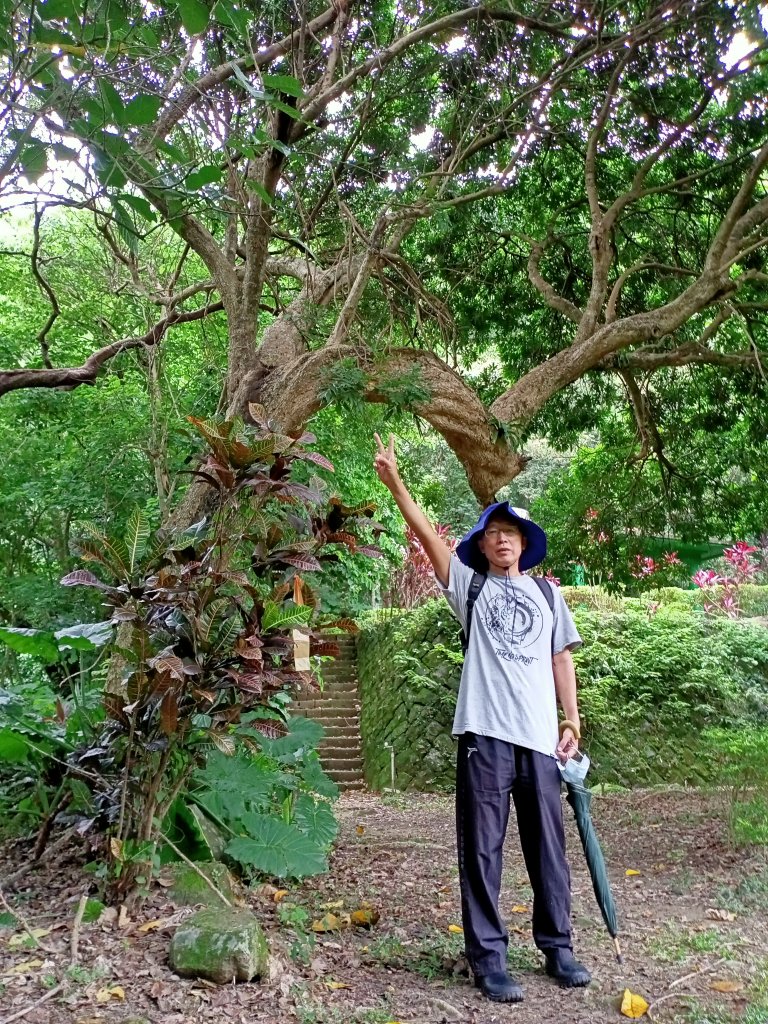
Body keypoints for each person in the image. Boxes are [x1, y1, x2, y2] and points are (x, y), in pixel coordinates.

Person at [373, 432, 591, 1003]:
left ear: (524, 543)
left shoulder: (547, 596)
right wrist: (395, 482)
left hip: (542, 740)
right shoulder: (469, 589)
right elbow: (428, 537)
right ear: (483, 545)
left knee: (549, 846)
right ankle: (489, 958)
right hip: (485, 737)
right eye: (493, 534)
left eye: (510, 533)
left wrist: (571, 719)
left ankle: (558, 947)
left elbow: (560, 657)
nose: (501, 541)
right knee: (482, 848)